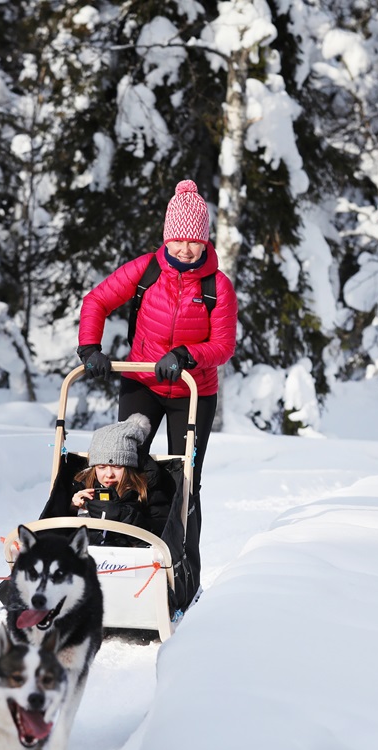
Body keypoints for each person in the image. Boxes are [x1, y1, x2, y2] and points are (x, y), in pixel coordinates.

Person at [76, 179, 237, 568]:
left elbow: (223, 347)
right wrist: (90, 347)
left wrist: (185, 354)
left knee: (185, 480)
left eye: (193, 241)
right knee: (124, 467)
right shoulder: (146, 270)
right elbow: (96, 299)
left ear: (205, 241)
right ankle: (118, 555)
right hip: (142, 383)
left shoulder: (218, 287)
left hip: (192, 392)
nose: (185, 249)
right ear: (166, 239)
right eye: (178, 240)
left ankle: (182, 567)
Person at [72, 414, 162, 543]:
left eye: (117, 466)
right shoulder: (82, 486)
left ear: (129, 468)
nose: (109, 474)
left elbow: (158, 541)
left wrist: (124, 514)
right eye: (102, 467)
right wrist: (73, 508)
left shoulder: (147, 491)